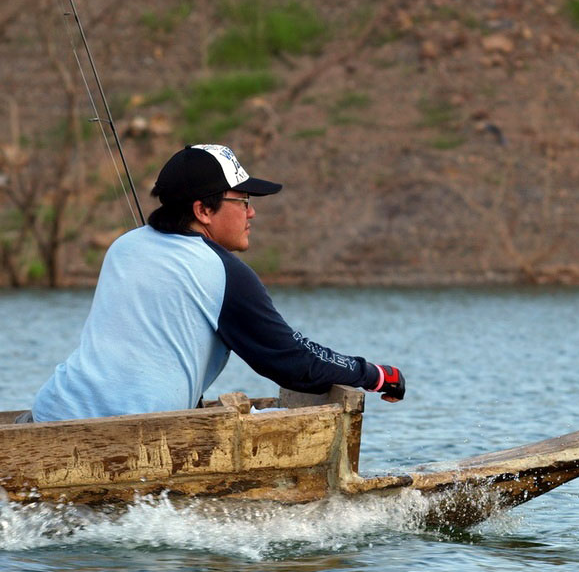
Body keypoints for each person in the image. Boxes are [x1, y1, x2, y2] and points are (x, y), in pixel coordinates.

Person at [26, 144, 405, 422]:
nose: (251, 212)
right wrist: (374, 374)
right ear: (203, 210)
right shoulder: (224, 272)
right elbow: (294, 362)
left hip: (49, 414)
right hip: (131, 441)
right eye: (242, 201)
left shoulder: (123, 247)